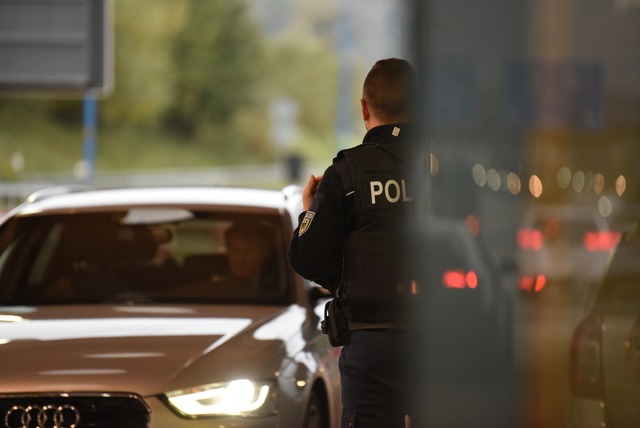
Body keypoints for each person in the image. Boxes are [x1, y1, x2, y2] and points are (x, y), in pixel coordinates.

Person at [288, 58, 418, 428]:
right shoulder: (445, 170)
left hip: (371, 343)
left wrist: (310, 214)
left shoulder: (347, 173)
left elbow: (307, 257)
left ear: (364, 108)